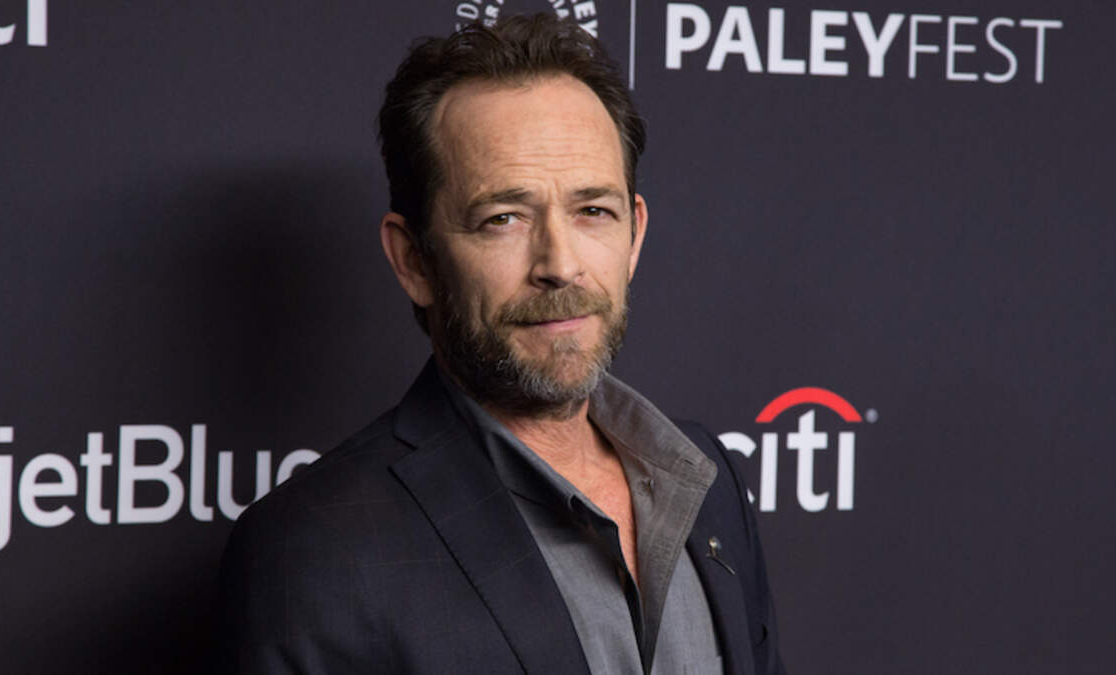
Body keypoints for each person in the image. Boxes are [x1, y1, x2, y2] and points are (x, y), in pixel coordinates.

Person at [218, 14, 785, 675]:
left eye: (592, 211)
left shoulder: (708, 478)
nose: (560, 265)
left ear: (633, 236)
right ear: (413, 260)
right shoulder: (318, 551)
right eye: (503, 218)